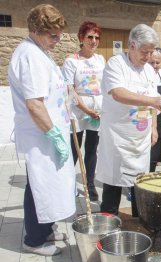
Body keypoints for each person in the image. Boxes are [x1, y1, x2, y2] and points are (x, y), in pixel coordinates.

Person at [8, 4, 75, 256]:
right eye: (53, 35)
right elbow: (35, 104)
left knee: (51, 183)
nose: (58, 40)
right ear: (36, 30)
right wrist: (54, 134)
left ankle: (46, 227)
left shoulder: (40, 50)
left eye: (59, 34)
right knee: (40, 184)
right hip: (42, 134)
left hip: (49, 131)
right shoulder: (30, 55)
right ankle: (34, 240)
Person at [96, 24, 161, 217]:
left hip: (140, 141)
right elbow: (118, 93)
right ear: (133, 45)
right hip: (118, 139)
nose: (148, 57)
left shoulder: (148, 71)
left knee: (140, 185)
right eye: (145, 51)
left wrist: (153, 127)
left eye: (151, 52)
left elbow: (153, 101)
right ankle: (108, 225)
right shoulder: (116, 64)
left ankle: (140, 223)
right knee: (113, 184)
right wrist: (152, 100)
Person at [61, 21, 105, 201]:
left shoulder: (101, 59)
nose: (93, 41)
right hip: (78, 112)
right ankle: (67, 185)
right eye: (90, 37)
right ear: (81, 38)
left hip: (97, 111)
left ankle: (90, 184)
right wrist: (87, 110)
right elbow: (70, 91)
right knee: (74, 149)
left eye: (96, 37)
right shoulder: (71, 61)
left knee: (92, 149)